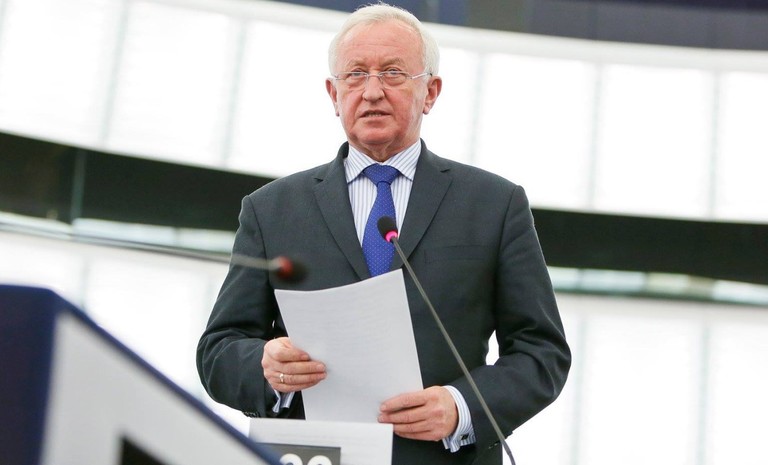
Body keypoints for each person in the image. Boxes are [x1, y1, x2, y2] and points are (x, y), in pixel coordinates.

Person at [197, 3, 570, 464]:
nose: (371, 91)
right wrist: (265, 367)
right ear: (334, 94)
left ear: (430, 92)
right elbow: (218, 350)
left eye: (393, 73)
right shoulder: (271, 209)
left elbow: (542, 352)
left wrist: (461, 407)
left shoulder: (495, 205)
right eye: (355, 75)